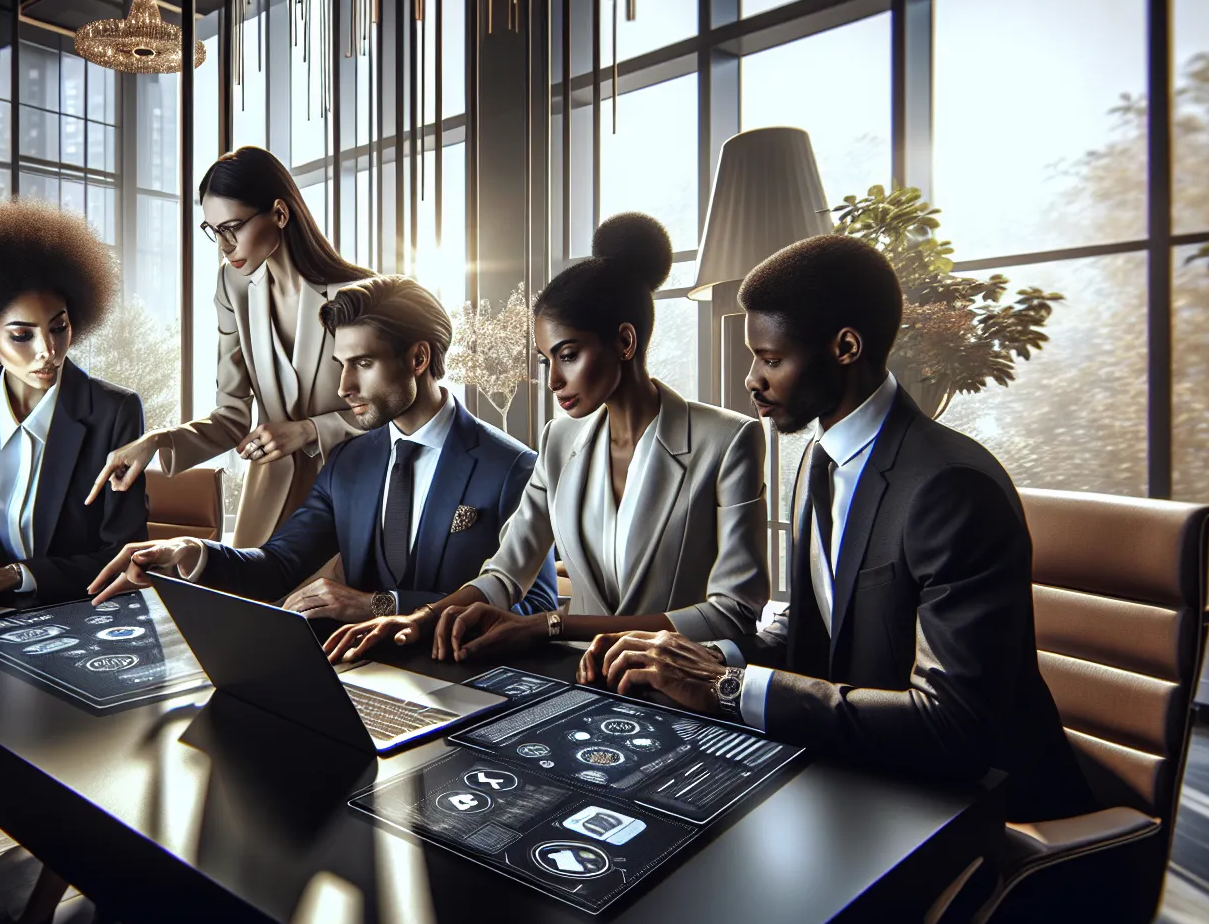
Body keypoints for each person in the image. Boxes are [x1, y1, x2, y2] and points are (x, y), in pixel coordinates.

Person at [580, 234, 1092, 822]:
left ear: (846, 347)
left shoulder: (950, 488)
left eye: (771, 360)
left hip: (985, 816)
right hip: (863, 781)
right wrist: (689, 658)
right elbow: (816, 631)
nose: (752, 380)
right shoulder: (817, 461)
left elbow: (955, 724)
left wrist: (727, 688)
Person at [323, 213, 769, 666]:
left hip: (684, 689)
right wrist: (418, 618)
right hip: (585, 684)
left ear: (625, 342)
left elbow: (734, 612)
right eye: (546, 361)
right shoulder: (559, 441)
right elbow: (506, 572)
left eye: (568, 355)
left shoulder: (729, 440)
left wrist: (553, 626)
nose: (554, 379)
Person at [88, 274, 559, 619]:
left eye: (364, 363)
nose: (345, 386)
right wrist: (192, 551)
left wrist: (380, 606)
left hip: (463, 693)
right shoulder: (350, 460)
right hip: (356, 683)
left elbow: (535, 607)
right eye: (340, 364)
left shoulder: (513, 467)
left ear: (418, 358)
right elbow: (278, 564)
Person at [86, 146, 373, 548]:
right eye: (214, 230)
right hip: (272, 499)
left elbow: (392, 414)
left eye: (232, 227)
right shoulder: (233, 285)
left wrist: (309, 431)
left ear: (279, 213)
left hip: (354, 493)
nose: (224, 244)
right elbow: (232, 418)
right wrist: (156, 441)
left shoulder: (358, 296)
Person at [0, 200, 148, 605]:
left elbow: (124, 559)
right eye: (22, 335)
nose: (48, 351)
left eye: (59, 327)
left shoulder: (112, 412)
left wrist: (18, 576)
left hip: (78, 618)